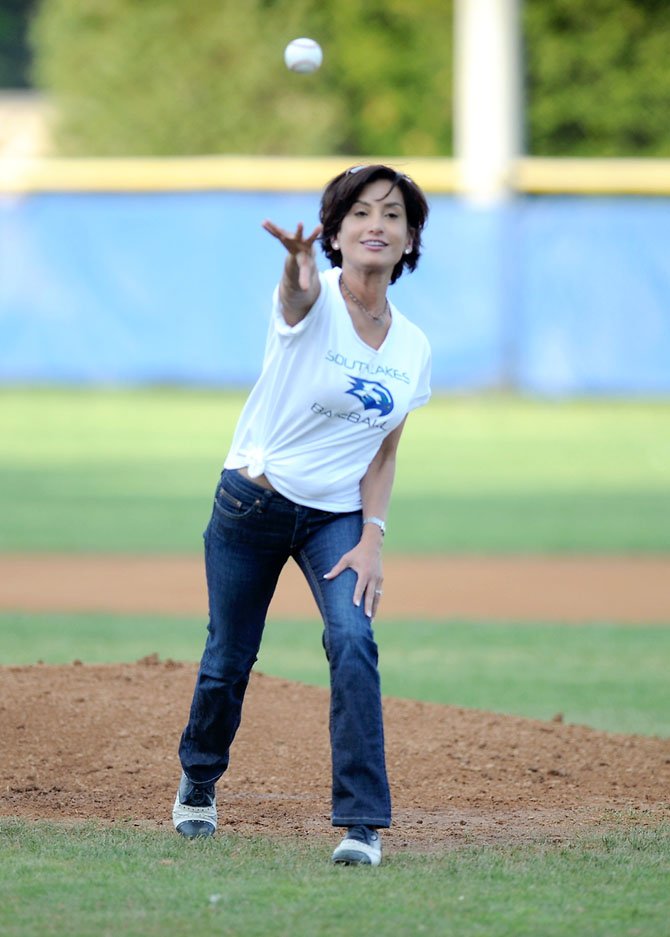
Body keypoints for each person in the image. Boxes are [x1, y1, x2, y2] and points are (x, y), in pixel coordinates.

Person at [172, 164, 431, 866]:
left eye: (393, 215)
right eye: (360, 214)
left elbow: (383, 454)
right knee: (229, 658)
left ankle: (362, 823)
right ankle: (199, 777)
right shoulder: (311, 302)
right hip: (252, 502)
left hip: (335, 520)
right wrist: (295, 266)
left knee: (353, 640)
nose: (377, 223)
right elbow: (297, 294)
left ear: (410, 241)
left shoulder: (413, 347)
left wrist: (373, 538)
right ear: (336, 235)